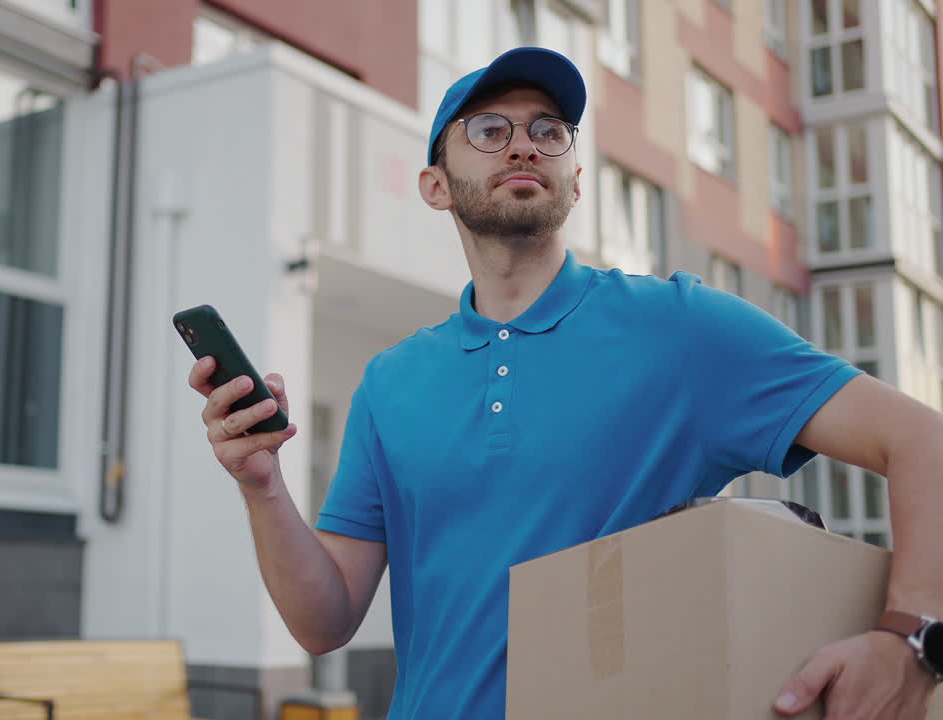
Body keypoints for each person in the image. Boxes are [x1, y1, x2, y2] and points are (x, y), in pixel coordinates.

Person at [187, 47, 942, 719]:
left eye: (548, 130)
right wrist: (261, 485)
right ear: (435, 184)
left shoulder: (682, 329)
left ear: (574, 180)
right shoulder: (391, 382)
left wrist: (911, 644)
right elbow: (324, 622)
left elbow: (922, 439)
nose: (524, 143)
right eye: (489, 129)